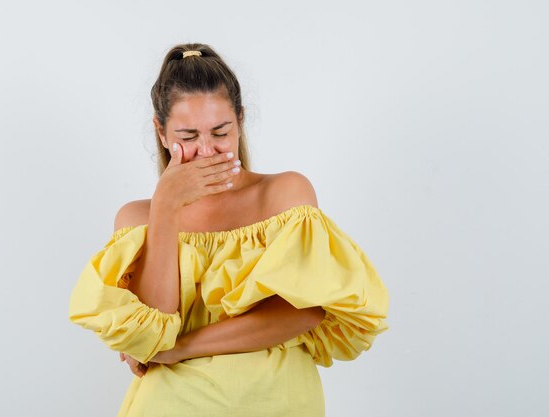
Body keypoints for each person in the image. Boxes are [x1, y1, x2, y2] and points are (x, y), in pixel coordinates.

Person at [68, 43, 390, 417]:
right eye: (188, 137)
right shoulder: (137, 219)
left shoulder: (284, 194)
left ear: (240, 119)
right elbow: (151, 334)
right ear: (160, 131)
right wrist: (166, 208)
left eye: (220, 132)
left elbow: (303, 313)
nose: (207, 151)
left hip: (278, 401)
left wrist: (182, 347)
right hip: (171, 404)